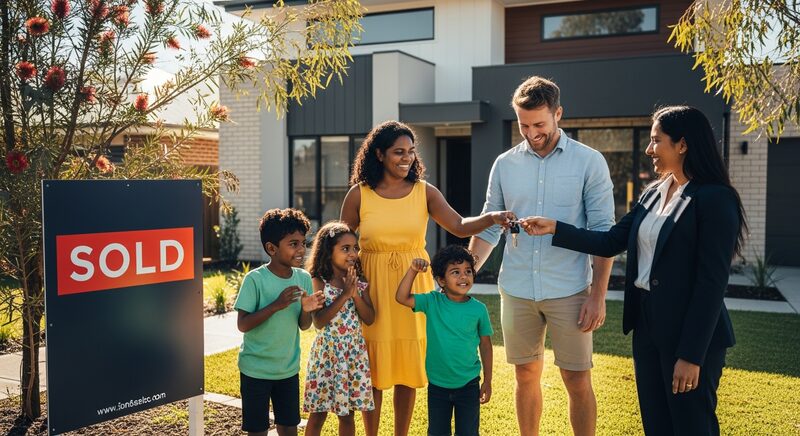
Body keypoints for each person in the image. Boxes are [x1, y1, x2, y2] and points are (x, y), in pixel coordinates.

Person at [520, 106, 747, 436]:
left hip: (689, 335)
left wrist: (691, 355)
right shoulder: (655, 192)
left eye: (656, 141)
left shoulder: (715, 199)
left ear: (682, 145)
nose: (649, 149)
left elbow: (711, 283)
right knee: (655, 425)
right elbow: (612, 240)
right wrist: (556, 228)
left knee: (691, 425)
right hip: (647, 328)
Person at [340, 120, 514, 436]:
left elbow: (460, 226)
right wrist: (344, 285)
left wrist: (491, 218)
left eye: (410, 151)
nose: (406, 158)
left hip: (413, 282)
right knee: (374, 369)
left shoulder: (424, 192)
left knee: (408, 369)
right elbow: (342, 244)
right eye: (398, 152)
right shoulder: (359, 194)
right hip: (372, 288)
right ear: (379, 154)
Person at [468, 76, 615, 436]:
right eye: (523, 124)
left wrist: (597, 296)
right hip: (517, 288)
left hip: (570, 290)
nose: (532, 133)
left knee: (577, 379)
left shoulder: (589, 162)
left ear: (558, 114)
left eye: (539, 124)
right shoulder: (504, 164)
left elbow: (603, 234)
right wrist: (465, 276)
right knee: (524, 375)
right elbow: (490, 226)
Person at [233, 208, 325, 436]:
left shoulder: (303, 278)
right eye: (293, 243)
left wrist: (306, 310)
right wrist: (275, 305)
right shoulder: (255, 280)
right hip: (255, 371)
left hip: (287, 370)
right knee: (258, 429)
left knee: (288, 427)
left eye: (303, 243)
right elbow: (243, 324)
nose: (301, 249)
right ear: (271, 248)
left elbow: (304, 325)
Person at [395, 245, 493, 436]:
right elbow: (401, 297)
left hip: (469, 384)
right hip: (438, 385)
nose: (463, 277)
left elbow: (486, 346)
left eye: (468, 271)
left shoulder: (479, 310)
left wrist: (487, 381)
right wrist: (413, 270)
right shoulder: (432, 302)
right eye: (455, 272)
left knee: (468, 433)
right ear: (441, 280)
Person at [302, 221, 376, 436]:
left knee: (348, 415)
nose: (352, 253)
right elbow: (319, 321)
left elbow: (370, 318)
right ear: (328, 251)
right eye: (345, 249)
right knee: (318, 413)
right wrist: (344, 295)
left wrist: (354, 294)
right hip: (327, 355)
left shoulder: (359, 281)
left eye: (355, 248)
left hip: (352, 354)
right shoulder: (318, 281)